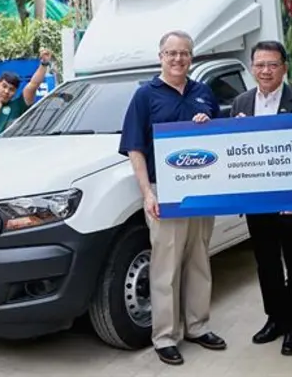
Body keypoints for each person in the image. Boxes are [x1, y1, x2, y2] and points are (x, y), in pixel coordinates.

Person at [119, 30, 226, 366]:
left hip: (202, 190)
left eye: (184, 53)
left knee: (199, 259)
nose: (178, 59)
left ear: (191, 57)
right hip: (164, 192)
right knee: (165, 266)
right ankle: (165, 336)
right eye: (172, 53)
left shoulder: (203, 92)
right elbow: (135, 148)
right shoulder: (145, 95)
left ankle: (198, 326)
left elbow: (220, 140)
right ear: (161, 57)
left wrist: (209, 124)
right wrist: (147, 193)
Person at [231, 40, 292, 357]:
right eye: (259, 64)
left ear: (284, 67)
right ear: (252, 67)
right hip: (258, 202)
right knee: (266, 264)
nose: (265, 70)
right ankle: (276, 318)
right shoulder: (241, 103)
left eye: (272, 64)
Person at [0, 48, 52, 142]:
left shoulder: (18, 106)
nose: (6, 91)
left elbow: (33, 85)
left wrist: (44, 64)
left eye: (11, 89)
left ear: (15, 92)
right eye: (4, 86)